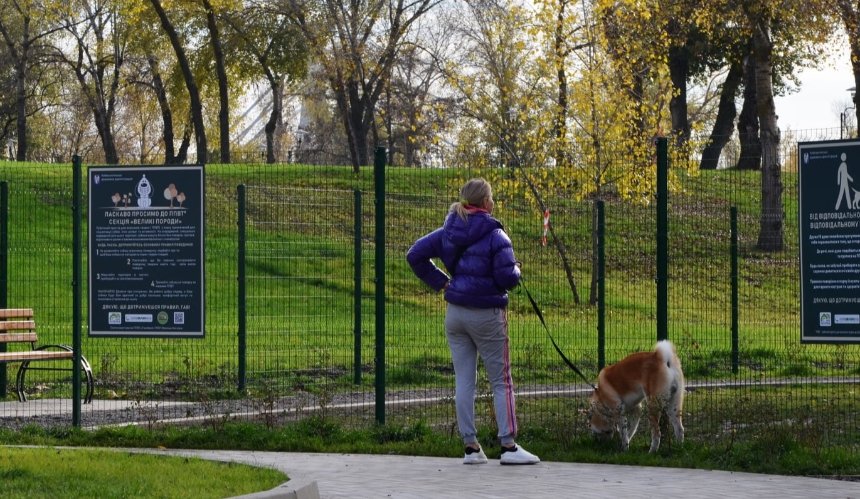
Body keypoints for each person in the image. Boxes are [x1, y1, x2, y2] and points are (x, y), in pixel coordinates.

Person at [406, 178, 540, 465]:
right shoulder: (496, 235)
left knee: (464, 379)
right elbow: (506, 278)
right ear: (486, 203)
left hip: (455, 313)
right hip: (487, 314)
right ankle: (508, 446)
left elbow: (415, 254)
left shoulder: (448, 232)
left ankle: (471, 447)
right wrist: (516, 270)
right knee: (501, 380)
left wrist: (443, 283)